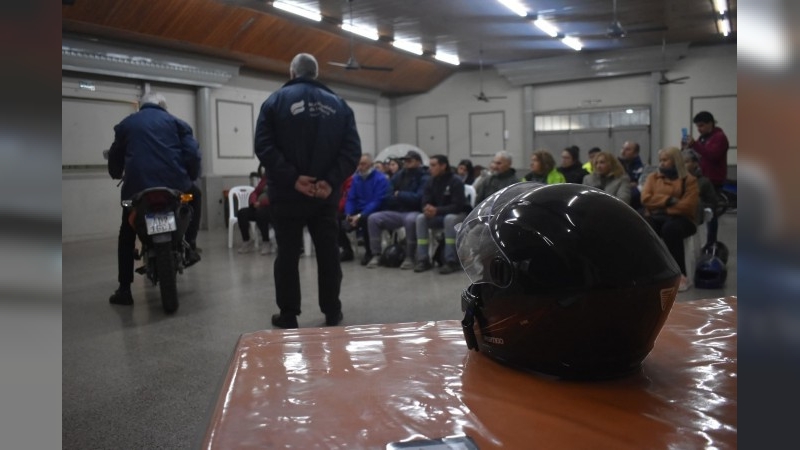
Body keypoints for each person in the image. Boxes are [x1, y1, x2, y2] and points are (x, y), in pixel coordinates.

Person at [254, 52, 361, 329]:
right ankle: (332, 311)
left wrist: (293, 179)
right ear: (316, 74)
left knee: (288, 254)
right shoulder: (339, 105)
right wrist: (329, 181)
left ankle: (288, 314)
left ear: (292, 72)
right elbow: (352, 151)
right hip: (325, 197)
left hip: (287, 195)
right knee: (328, 252)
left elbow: (263, 146)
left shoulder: (275, 102)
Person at [107, 91, 202, 306]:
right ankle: (191, 244)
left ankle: (124, 289)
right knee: (195, 196)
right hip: (176, 189)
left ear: (142, 105)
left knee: (126, 229)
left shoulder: (126, 125)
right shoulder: (178, 123)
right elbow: (193, 154)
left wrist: (115, 172)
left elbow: (115, 156)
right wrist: (191, 176)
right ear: (163, 106)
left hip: (135, 193)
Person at [641, 146, 699, 292]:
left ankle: (680, 275)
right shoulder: (653, 178)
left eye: (665, 160)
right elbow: (646, 198)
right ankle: (650, 273)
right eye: (660, 160)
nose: (661, 163)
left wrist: (663, 208)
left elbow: (688, 206)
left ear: (675, 161)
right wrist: (668, 200)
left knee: (671, 230)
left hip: (683, 219)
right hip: (658, 217)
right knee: (643, 227)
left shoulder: (689, 180)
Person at [365, 150, 429, 269]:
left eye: (410, 160)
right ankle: (376, 254)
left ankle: (409, 256)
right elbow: (387, 196)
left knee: (410, 220)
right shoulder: (399, 175)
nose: (406, 162)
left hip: (414, 211)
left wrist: (399, 194)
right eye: (405, 160)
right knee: (373, 218)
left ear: (418, 162)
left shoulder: (424, 177)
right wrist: (402, 197)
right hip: (397, 211)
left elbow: (418, 198)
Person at [413, 155, 468, 274]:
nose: (430, 168)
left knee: (449, 219)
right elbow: (425, 201)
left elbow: (457, 206)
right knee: (421, 218)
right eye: (430, 165)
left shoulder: (455, 181)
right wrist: (427, 209)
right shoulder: (430, 181)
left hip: (458, 215)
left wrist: (437, 210)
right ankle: (423, 259)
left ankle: (451, 261)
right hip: (438, 215)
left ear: (443, 166)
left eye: (433, 165)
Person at [683, 111, 729, 245]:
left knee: (711, 213)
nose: (699, 129)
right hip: (702, 177)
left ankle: (711, 243)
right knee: (701, 210)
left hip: (714, 179)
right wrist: (686, 147)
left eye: (702, 125)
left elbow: (712, 155)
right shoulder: (704, 138)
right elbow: (696, 155)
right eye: (697, 126)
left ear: (711, 123)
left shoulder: (719, 138)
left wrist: (695, 145)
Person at [339, 153, 390, 265]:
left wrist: (359, 215)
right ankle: (347, 250)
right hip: (358, 210)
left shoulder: (381, 179)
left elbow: (377, 201)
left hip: (374, 211)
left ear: (371, 165)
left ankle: (370, 252)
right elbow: (351, 198)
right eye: (358, 164)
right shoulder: (356, 179)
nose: (360, 167)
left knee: (367, 219)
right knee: (336, 219)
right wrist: (348, 214)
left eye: (363, 164)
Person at [683, 149, 720, 242]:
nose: (683, 165)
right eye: (681, 162)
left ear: (695, 164)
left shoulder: (703, 182)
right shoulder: (675, 180)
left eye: (686, 162)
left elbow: (712, 202)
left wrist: (701, 207)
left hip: (694, 215)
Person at [237, 164, 272, 255]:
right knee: (242, 213)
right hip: (258, 206)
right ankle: (247, 241)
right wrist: (253, 202)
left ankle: (266, 242)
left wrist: (261, 203)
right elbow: (255, 192)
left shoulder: (279, 179)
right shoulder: (265, 179)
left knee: (261, 213)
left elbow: (277, 196)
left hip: (271, 208)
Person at [619, 141, 646, 210]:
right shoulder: (617, 166)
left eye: (627, 149)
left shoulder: (642, 168)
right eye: (622, 148)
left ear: (635, 153)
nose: (623, 152)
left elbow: (640, 188)